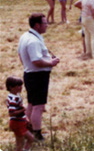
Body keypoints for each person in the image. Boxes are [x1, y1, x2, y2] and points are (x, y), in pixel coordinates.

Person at [18, 13, 60, 141]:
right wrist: (51, 63)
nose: (47, 25)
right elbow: (36, 60)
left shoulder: (26, 36)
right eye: (45, 23)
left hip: (30, 74)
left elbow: (21, 56)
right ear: (37, 25)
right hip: (37, 76)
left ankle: (27, 130)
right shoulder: (33, 41)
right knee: (39, 106)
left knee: (31, 103)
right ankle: (37, 134)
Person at [5, 76, 34, 151]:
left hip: (21, 122)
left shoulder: (16, 96)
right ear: (11, 87)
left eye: (21, 85)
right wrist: (23, 109)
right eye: (18, 86)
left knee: (31, 138)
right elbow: (11, 113)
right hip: (17, 123)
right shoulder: (13, 99)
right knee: (19, 144)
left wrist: (25, 118)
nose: (21, 87)